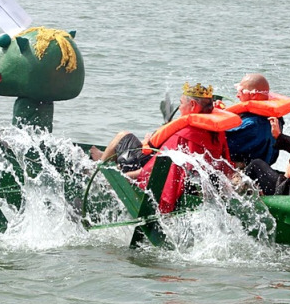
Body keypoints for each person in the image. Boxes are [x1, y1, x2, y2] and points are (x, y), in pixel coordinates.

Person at [91, 82, 239, 212]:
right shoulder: (215, 131)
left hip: (154, 179)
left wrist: (124, 177)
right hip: (193, 180)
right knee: (144, 141)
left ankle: (98, 168)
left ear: (192, 105)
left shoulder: (184, 134)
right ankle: (107, 157)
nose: (180, 107)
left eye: (181, 103)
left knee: (123, 135)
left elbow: (153, 169)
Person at [223, 73, 290, 167]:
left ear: (253, 95)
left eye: (240, 91)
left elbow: (222, 140)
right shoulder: (277, 119)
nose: (237, 95)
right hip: (265, 165)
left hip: (247, 170)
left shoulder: (251, 124)